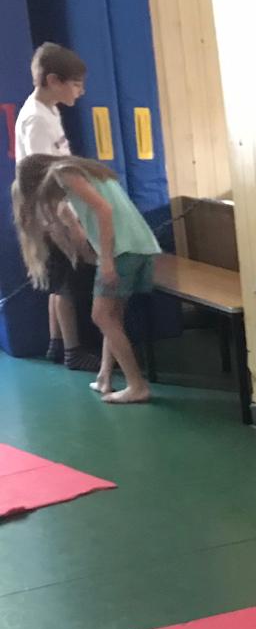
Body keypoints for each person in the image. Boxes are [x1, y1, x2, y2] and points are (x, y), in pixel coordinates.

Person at [12, 154, 158, 405]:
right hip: (139, 244)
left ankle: (137, 385)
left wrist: (107, 259)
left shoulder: (62, 172)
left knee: (101, 316)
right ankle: (104, 377)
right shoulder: (86, 171)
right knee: (112, 315)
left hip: (122, 249)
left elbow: (104, 209)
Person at [14, 42, 98, 374]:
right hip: (49, 210)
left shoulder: (49, 109)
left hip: (57, 206)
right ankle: (73, 351)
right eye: (76, 84)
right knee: (67, 284)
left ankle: (56, 343)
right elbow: (43, 178)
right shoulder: (35, 118)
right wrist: (66, 221)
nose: (81, 91)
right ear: (53, 80)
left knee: (58, 279)